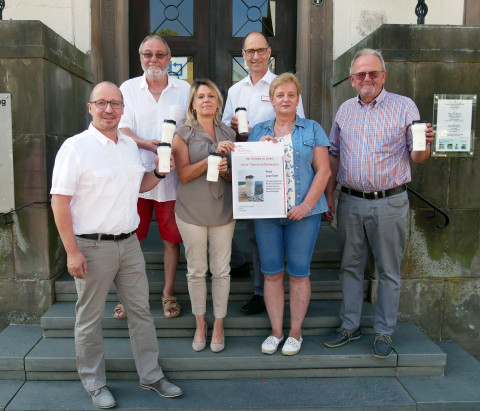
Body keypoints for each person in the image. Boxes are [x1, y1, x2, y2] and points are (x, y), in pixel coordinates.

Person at [50, 82, 183, 409]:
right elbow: (59, 202)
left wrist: (160, 172)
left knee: (141, 313)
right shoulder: (75, 147)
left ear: (123, 109)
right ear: (90, 107)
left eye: (115, 104)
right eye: (102, 103)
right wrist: (71, 251)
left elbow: (141, 184)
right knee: (90, 319)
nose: (109, 109)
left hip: (129, 244)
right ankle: (95, 384)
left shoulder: (127, 145)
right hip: (91, 247)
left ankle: (151, 375)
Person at [323, 48, 434, 359]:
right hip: (350, 201)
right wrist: (329, 194)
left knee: (387, 271)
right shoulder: (345, 110)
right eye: (361, 74)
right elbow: (334, 154)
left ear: (383, 76)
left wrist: (425, 142)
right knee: (350, 267)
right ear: (352, 80)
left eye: (373, 73)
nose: (367, 79)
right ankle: (350, 325)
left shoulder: (404, 107)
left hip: (390, 201)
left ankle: (384, 331)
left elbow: (418, 157)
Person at [248, 73, 331, 356]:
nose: (285, 99)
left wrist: (306, 205)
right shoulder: (258, 131)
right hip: (267, 215)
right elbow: (249, 175)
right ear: (271, 100)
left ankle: (295, 333)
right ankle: (276, 332)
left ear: (298, 99)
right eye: (280, 95)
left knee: (298, 273)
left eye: (291, 95)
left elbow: (324, 171)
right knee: (271, 273)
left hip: (304, 215)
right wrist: (261, 150)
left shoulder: (312, 129)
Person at [222, 31, 305, 315]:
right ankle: (262, 290)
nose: (255, 56)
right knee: (256, 234)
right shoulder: (235, 91)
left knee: (283, 232)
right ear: (243, 55)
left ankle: (281, 286)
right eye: (249, 52)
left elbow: (300, 124)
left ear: (269, 52)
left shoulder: (283, 85)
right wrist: (232, 125)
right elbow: (224, 131)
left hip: (280, 171)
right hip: (249, 171)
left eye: (260, 51)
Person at [113, 34, 190, 320]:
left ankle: (168, 293)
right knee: (132, 238)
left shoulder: (185, 90)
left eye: (160, 54)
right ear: (140, 58)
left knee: (172, 239)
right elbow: (122, 129)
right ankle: (128, 297)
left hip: (172, 181)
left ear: (170, 59)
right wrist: (149, 144)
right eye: (148, 54)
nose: (154, 59)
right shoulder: (128, 89)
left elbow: (191, 128)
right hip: (137, 177)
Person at [172, 79, 236, 353]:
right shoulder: (183, 133)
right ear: (192, 104)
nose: (206, 100)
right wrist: (211, 154)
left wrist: (226, 171)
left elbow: (237, 177)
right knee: (197, 271)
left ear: (218, 102)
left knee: (221, 271)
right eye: (201, 97)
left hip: (223, 210)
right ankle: (201, 323)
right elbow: (184, 174)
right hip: (191, 212)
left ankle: (218, 324)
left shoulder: (230, 132)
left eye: (211, 96)